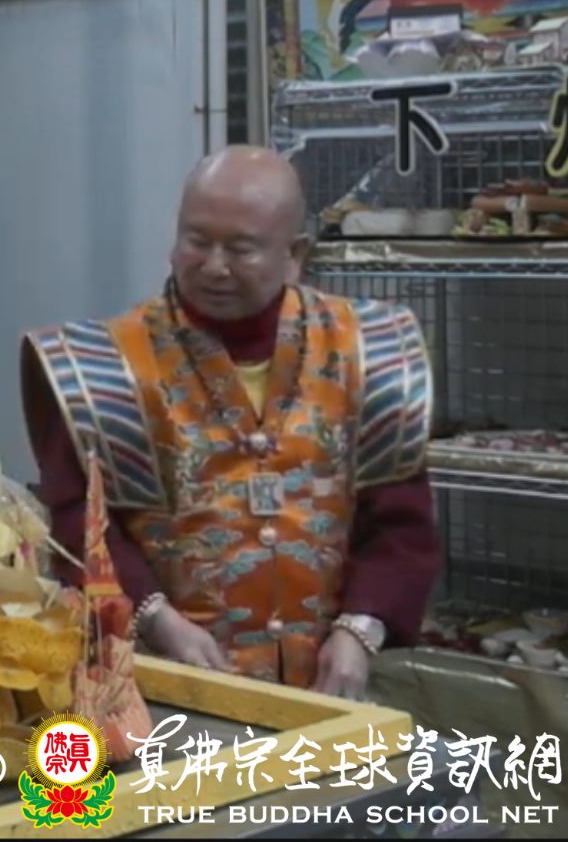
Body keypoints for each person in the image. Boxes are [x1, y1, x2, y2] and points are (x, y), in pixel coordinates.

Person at [22, 146, 437, 698]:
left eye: (241, 249)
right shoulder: (104, 369)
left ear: (294, 254)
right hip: (164, 684)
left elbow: (402, 524)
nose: (214, 266)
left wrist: (362, 628)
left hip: (334, 684)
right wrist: (154, 618)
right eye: (197, 241)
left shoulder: (369, 351)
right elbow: (79, 523)